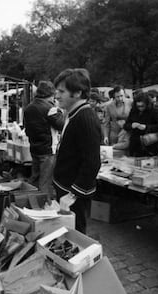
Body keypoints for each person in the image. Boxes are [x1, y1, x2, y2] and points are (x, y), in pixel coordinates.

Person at [53, 68, 101, 233]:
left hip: (72, 193)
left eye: (62, 91)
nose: (57, 95)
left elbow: (92, 162)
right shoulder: (73, 113)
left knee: (76, 233)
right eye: (56, 91)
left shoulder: (85, 117)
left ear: (78, 92)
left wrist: (73, 194)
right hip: (65, 187)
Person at [24, 81, 64, 198]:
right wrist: (59, 110)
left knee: (35, 178)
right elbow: (61, 125)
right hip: (48, 149)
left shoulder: (28, 108)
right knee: (45, 182)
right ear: (50, 94)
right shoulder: (50, 109)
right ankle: (42, 206)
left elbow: (26, 128)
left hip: (34, 147)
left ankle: (29, 200)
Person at [124, 92, 158, 157]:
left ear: (147, 104)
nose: (140, 108)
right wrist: (131, 125)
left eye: (142, 106)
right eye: (138, 106)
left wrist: (146, 127)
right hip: (135, 143)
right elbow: (126, 125)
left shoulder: (154, 111)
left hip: (150, 143)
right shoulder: (134, 111)